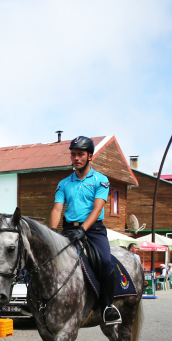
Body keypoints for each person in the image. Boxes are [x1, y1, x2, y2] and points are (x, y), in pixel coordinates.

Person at [49, 136, 121, 325]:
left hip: (93, 230)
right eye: (73, 155)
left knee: (105, 261)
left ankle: (107, 306)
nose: (76, 158)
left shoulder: (101, 180)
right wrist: (51, 232)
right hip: (69, 229)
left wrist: (82, 229)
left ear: (90, 156)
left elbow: (97, 209)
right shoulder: (64, 183)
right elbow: (57, 209)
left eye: (80, 154)